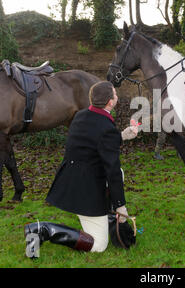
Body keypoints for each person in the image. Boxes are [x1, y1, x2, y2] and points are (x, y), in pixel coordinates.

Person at [24, 81, 138, 257]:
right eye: (115, 94)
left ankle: (106, 217)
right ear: (110, 102)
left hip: (71, 180)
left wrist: (121, 136)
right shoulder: (105, 127)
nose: (116, 97)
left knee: (120, 175)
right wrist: (121, 206)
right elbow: (112, 170)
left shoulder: (82, 115)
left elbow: (93, 143)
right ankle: (42, 229)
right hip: (86, 191)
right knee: (99, 245)